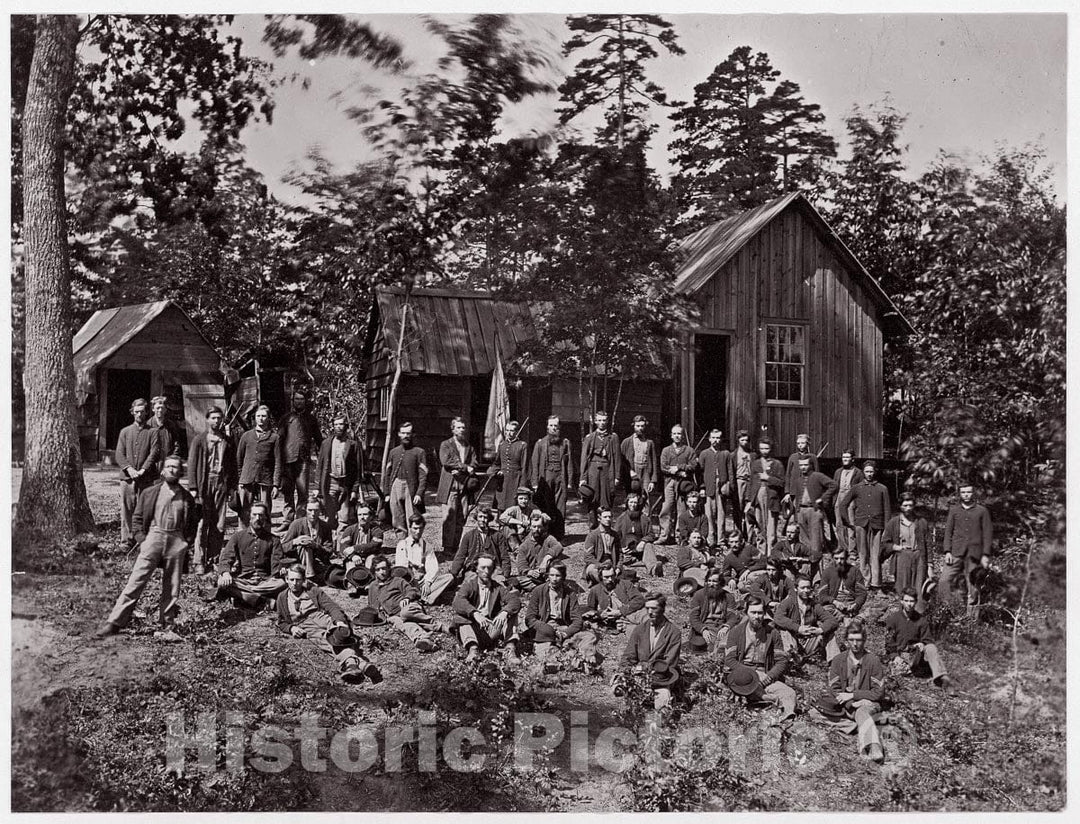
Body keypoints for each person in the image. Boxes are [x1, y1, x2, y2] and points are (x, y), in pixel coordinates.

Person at [95, 455, 198, 641]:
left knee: (172, 586)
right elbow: (137, 519)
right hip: (154, 537)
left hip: (176, 540)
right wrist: (143, 540)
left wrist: (185, 543)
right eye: (169, 466)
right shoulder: (151, 492)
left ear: (181, 472)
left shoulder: (187, 498)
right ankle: (115, 622)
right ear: (162, 470)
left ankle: (167, 625)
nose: (172, 470)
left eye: (176, 467)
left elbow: (192, 524)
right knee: (136, 581)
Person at [276, 564, 381, 684]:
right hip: (305, 625)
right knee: (326, 640)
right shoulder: (282, 597)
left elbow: (331, 606)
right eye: (292, 580)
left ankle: (354, 664)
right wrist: (292, 628)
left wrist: (339, 621)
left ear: (304, 580)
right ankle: (360, 664)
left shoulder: (313, 591)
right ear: (286, 580)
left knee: (340, 635)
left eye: (298, 580)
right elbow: (281, 622)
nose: (295, 583)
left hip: (321, 618)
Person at [821, 619, 886, 763]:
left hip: (868, 704)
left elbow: (878, 693)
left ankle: (873, 746)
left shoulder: (873, 661)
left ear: (864, 640)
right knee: (816, 711)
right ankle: (858, 725)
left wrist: (854, 696)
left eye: (859, 640)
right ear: (846, 641)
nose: (855, 644)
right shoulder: (838, 660)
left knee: (863, 711)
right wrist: (851, 702)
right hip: (846, 705)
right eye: (851, 640)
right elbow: (834, 688)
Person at [724, 596, 797, 722]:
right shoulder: (736, 632)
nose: (757, 616)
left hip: (765, 675)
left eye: (760, 613)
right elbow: (730, 660)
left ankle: (785, 716)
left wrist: (767, 678)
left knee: (790, 693)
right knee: (742, 687)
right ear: (746, 613)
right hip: (743, 675)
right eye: (753, 612)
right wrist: (753, 674)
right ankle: (767, 699)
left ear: (764, 614)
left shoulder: (773, 633)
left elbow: (781, 661)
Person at [188, 406, 238, 573]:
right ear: (207, 419)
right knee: (202, 523)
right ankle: (199, 561)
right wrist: (193, 487)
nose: (217, 421)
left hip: (221, 483)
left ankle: (214, 558)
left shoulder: (228, 441)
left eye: (219, 418)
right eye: (213, 418)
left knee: (219, 523)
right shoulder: (199, 440)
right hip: (204, 484)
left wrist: (231, 487)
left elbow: (232, 466)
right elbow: (192, 465)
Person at [525, 562, 600, 671]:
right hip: (544, 629)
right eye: (551, 575)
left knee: (589, 637)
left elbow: (577, 620)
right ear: (547, 576)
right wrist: (547, 629)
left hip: (564, 628)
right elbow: (530, 618)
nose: (554, 579)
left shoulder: (570, 594)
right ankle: (560, 661)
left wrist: (565, 633)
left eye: (558, 575)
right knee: (544, 650)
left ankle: (586, 661)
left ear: (563, 577)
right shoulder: (538, 591)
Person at [212, 502, 287, 608]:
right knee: (222, 582)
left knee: (282, 583)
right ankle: (262, 601)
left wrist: (280, 571)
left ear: (265, 517)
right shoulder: (238, 537)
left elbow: (277, 563)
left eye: (261, 515)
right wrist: (225, 573)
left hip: (265, 582)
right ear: (249, 517)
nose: (258, 518)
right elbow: (226, 557)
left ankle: (245, 596)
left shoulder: (273, 540)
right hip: (244, 580)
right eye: (254, 515)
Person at [367, 556, 446, 652]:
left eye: (384, 568)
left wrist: (407, 598)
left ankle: (438, 625)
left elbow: (413, 591)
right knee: (403, 624)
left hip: (409, 607)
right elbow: (372, 606)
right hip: (394, 615)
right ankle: (423, 639)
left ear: (389, 569)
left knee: (405, 613)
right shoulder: (372, 586)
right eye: (378, 569)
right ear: (374, 571)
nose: (382, 572)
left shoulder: (397, 581)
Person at [453, 554, 523, 663]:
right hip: (474, 629)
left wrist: (504, 612)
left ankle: (510, 649)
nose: (486, 571)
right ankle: (473, 650)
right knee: (461, 617)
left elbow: (515, 601)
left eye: (490, 568)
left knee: (512, 613)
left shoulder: (497, 587)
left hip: (491, 626)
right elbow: (458, 602)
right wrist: (475, 613)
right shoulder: (469, 585)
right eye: (483, 568)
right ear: (476, 569)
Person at [620, 592, 682, 710]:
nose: (649, 612)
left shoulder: (673, 632)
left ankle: (656, 725)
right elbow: (629, 655)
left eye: (654, 608)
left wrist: (644, 670)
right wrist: (625, 671)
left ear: (663, 609)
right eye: (647, 608)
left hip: (661, 678)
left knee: (662, 702)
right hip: (639, 675)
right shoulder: (640, 629)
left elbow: (669, 662)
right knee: (625, 695)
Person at [937, 483, 993, 612]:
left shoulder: (982, 511)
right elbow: (948, 532)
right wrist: (947, 551)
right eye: (963, 492)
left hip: (975, 555)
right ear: (959, 494)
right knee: (944, 582)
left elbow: (988, 534)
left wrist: (985, 555)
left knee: (973, 588)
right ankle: (949, 612)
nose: (966, 495)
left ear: (973, 493)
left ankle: (971, 621)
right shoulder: (954, 510)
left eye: (969, 492)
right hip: (956, 552)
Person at [884, 588, 954, 691]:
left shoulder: (921, 620)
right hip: (899, 654)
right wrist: (894, 656)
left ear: (916, 602)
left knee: (931, 647)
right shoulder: (893, 619)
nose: (909, 604)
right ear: (902, 601)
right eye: (906, 601)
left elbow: (928, 640)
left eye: (912, 601)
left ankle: (941, 678)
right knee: (900, 671)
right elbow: (889, 642)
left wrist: (922, 643)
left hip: (915, 654)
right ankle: (917, 670)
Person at [115, 397, 161, 549]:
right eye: (136, 412)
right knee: (127, 510)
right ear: (132, 413)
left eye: (142, 412)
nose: (139, 415)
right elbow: (119, 454)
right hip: (127, 479)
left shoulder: (153, 432)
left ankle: (142, 540)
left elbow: (154, 453)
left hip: (146, 478)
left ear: (147, 412)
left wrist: (142, 470)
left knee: (144, 510)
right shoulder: (125, 432)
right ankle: (126, 541)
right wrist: (129, 469)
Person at [839, 461, 892, 591]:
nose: (869, 474)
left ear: (875, 472)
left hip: (877, 525)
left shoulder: (882, 488)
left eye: (871, 471)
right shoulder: (857, 487)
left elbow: (887, 510)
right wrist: (848, 523)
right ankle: (864, 582)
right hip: (861, 524)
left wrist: (887, 529)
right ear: (863, 472)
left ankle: (876, 583)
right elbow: (843, 504)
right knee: (863, 554)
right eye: (867, 471)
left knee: (876, 554)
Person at [277, 390, 323, 527]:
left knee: (303, 493)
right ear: (293, 401)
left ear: (305, 402)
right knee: (288, 491)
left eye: (301, 399)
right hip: (288, 460)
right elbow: (279, 440)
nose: (299, 402)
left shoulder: (311, 419)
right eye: (296, 399)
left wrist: (326, 452)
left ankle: (299, 521)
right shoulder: (286, 419)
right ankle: (287, 521)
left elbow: (319, 439)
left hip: (303, 461)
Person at [773, 576, 841, 664]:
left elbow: (832, 621)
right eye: (802, 588)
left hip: (808, 640)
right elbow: (778, 618)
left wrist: (820, 630)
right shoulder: (788, 602)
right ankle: (792, 659)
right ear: (796, 588)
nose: (806, 590)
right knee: (785, 630)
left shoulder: (814, 605)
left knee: (829, 631)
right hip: (792, 641)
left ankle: (835, 663)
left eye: (808, 588)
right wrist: (798, 628)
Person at [437, 417, 478, 555]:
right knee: (450, 517)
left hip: (465, 486)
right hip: (451, 485)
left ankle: (456, 546)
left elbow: (475, 463)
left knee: (462, 516)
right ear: (453, 429)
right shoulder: (446, 445)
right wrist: (465, 468)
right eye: (458, 427)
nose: (461, 430)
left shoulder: (469, 447)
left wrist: (465, 468)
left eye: (463, 427)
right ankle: (447, 547)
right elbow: (446, 461)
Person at [784, 455, 837, 563]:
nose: (803, 467)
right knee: (804, 541)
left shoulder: (817, 476)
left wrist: (822, 499)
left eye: (806, 465)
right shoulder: (798, 480)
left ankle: (817, 567)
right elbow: (798, 497)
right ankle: (806, 568)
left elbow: (834, 485)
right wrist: (797, 513)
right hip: (801, 512)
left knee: (816, 542)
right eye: (801, 465)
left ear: (811, 465)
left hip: (814, 511)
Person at [394, 514, 454, 605]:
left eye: (420, 528)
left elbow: (433, 567)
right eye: (415, 528)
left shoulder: (427, 546)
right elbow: (401, 567)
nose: (418, 532)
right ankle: (419, 596)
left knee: (449, 577)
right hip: (408, 581)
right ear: (409, 528)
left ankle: (423, 597)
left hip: (422, 581)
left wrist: (427, 582)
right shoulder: (402, 545)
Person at [236, 405, 281, 527]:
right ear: (255, 418)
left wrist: (276, 484)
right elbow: (239, 459)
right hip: (247, 478)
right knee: (244, 511)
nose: (261, 419)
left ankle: (265, 537)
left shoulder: (274, 437)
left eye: (263, 416)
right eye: (258, 416)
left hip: (265, 479)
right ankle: (243, 538)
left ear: (268, 418)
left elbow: (278, 462)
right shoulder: (246, 436)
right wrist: (240, 479)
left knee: (264, 510)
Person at [530, 415, 573, 539]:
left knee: (560, 506)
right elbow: (535, 464)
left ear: (559, 427)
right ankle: (546, 534)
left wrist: (569, 481)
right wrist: (534, 482)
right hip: (545, 477)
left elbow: (569, 463)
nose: (553, 428)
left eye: (556, 425)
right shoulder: (540, 443)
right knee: (546, 505)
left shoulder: (565, 443)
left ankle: (559, 535)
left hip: (560, 477)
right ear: (547, 427)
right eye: (551, 425)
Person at [316, 414, 363, 528]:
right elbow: (320, 466)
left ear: (345, 426)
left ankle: (341, 543)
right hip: (330, 483)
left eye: (341, 424)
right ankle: (330, 543)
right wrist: (318, 487)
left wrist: (355, 489)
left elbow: (358, 469)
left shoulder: (353, 445)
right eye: (336, 424)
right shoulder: (326, 443)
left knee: (345, 517)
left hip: (345, 484)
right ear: (333, 427)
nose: (338, 427)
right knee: (329, 516)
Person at [883, 494, 930, 604]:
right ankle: (904, 614)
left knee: (919, 587)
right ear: (900, 506)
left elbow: (928, 544)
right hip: (902, 556)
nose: (908, 508)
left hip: (919, 556)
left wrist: (930, 564)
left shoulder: (921, 522)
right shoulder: (894, 522)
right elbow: (885, 543)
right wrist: (895, 547)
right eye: (905, 505)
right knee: (903, 588)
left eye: (910, 505)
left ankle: (918, 614)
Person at [382, 422, 428, 532]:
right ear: (399, 434)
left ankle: (413, 543)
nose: (406, 436)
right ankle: (402, 544)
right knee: (397, 517)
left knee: (412, 517)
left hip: (411, 488)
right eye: (403, 433)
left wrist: (419, 493)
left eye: (408, 433)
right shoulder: (393, 452)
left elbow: (423, 475)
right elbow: (387, 473)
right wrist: (387, 493)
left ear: (413, 435)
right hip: (396, 486)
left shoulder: (419, 452)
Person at [579, 410, 622, 529]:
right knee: (592, 499)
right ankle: (593, 528)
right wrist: (583, 478)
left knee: (606, 499)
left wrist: (617, 476)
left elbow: (617, 458)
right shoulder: (590, 438)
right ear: (595, 421)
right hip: (593, 471)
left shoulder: (613, 438)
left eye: (604, 420)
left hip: (608, 471)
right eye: (599, 420)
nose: (602, 423)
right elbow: (584, 459)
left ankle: (605, 527)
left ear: (607, 421)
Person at [657, 424, 697, 544]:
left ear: (683, 436)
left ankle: (680, 537)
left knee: (681, 509)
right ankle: (664, 535)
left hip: (683, 484)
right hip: (669, 482)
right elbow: (663, 467)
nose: (677, 436)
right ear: (671, 435)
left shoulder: (689, 450)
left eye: (679, 433)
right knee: (667, 507)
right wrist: (680, 472)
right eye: (674, 434)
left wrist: (679, 467)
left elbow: (693, 465)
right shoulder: (666, 450)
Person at [451, 506, 513, 582]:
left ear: (489, 519)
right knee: (473, 583)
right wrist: (453, 574)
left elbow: (505, 557)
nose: (483, 520)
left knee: (498, 583)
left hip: (493, 569)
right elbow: (460, 556)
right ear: (476, 518)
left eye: (485, 517)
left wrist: (505, 574)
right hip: (473, 570)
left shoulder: (498, 535)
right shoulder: (469, 536)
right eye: (480, 517)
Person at [281, 497, 335, 582]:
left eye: (316, 510)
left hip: (318, 562)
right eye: (310, 510)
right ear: (305, 510)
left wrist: (315, 546)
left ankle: (311, 575)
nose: (313, 513)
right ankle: (308, 576)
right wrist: (295, 542)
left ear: (320, 511)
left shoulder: (325, 526)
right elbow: (283, 547)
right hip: (299, 562)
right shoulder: (296, 524)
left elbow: (329, 551)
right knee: (305, 545)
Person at [746, 437, 785, 549]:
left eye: (766, 448)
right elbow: (751, 482)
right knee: (759, 524)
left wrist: (768, 478)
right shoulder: (756, 463)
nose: (764, 451)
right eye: (762, 448)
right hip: (757, 496)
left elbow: (782, 482)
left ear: (771, 449)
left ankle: (771, 553)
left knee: (771, 527)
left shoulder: (777, 464)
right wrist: (749, 500)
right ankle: (761, 552)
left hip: (772, 497)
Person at [688, 568, 738, 653]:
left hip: (721, 627)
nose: (711, 584)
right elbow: (693, 618)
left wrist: (726, 627)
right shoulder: (698, 595)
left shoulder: (728, 597)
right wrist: (703, 629)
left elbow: (732, 616)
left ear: (721, 583)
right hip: (705, 626)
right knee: (709, 644)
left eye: (715, 581)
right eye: (709, 581)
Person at [513, 512, 565, 593]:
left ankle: (539, 588)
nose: (537, 529)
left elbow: (558, 547)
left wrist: (546, 559)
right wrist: (530, 572)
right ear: (530, 527)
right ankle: (543, 588)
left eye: (539, 527)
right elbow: (521, 565)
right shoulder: (524, 546)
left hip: (547, 575)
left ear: (543, 527)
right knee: (517, 580)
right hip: (531, 577)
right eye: (534, 526)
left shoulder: (548, 539)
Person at [817, 546, 868, 627]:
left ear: (846, 558)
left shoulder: (855, 571)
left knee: (877, 608)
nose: (839, 561)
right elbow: (822, 595)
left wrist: (856, 604)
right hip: (833, 606)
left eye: (842, 558)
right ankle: (847, 619)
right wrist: (835, 602)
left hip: (850, 604)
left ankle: (851, 618)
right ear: (832, 558)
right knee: (822, 610)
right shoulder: (827, 572)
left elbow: (862, 593)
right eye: (836, 558)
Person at [584, 563, 646, 631]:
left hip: (632, 612)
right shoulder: (595, 589)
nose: (610, 579)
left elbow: (639, 599)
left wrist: (620, 611)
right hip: (618, 621)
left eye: (612, 576)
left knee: (647, 620)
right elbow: (590, 609)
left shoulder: (625, 584)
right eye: (606, 577)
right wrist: (600, 614)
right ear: (601, 577)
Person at [698, 428, 733, 547]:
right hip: (709, 486)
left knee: (721, 513)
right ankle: (710, 539)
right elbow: (700, 473)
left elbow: (730, 471)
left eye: (718, 438)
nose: (715, 440)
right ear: (709, 439)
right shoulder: (704, 453)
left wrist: (729, 486)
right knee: (709, 514)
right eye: (713, 438)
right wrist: (702, 487)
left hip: (722, 486)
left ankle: (721, 540)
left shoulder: (726, 453)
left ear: (721, 439)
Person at [613, 491, 659, 567]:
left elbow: (651, 534)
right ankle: (633, 560)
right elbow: (615, 536)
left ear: (638, 504)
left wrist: (643, 541)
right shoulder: (621, 518)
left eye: (635, 502)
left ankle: (653, 567)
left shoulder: (644, 518)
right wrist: (621, 548)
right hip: (626, 549)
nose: (633, 505)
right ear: (627, 503)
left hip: (640, 548)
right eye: (631, 502)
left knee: (649, 545)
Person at [832, 450, 863, 558]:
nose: (844, 459)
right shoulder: (838, 472)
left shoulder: (858, 472)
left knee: (850, 525)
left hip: (851, 500)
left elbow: (860, 489)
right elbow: (834, 486)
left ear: (852, 459)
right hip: (839, 498)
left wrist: (856, 503)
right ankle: (842, 547)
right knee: (839, 524)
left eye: (847, 457)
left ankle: (852, 551)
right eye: (843, 457)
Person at [335, 503, 385, 570]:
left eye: (365, 514)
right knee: (351, 568)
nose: (362, 517)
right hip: (353, 557)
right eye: (359, 515)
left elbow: (374, 545)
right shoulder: (350, 529)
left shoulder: (377, 530)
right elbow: (343, 546)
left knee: (371, 562)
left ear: (371, 516)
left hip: (370, 555)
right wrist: (352, 556)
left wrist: (355, 548)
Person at [620, 414, 658, 500]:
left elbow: (654, 461)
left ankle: (645, 513)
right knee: (632, 497)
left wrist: (653, 480)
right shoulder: (626, 442)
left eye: (642, 426)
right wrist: (629, 471)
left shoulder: (650, 442)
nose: (640, 428)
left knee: (645, 496)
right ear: (633, 426)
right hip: (633, 472)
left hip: (646, 472)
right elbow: (621, 461)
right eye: (638, 426)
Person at [582, 507, 623, 584]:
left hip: (611, 564)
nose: (608, 519)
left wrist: (618, 567)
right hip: (597, 565)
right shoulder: (592, 535)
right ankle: (605, 584)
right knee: (592, 570)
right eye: (605, 517)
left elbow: (620, 554)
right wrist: (600, 566)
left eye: (610, 517)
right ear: (599, 518)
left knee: (628, 575)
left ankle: (610, 581)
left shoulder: (615, 535)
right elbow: (588, 557)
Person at [495, 420, 529, 510]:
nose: (509, 433)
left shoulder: (522, 445)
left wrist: (522, 485)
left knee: (513, 504)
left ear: (517, 432)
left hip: (515, 479)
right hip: (502, 480)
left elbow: (524, 466)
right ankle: (501, 523)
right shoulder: (502, 445)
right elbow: (497, 463)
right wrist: (494, 472)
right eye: (507, 430)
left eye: (512, 430)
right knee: (501, 503)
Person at [731, 430, 756, 536]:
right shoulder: (734, 455)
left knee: (750, 508)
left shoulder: (753, 454)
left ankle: (749, 534)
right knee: (738, 507)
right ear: (738, 441)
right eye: (742, 440)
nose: (744, 442)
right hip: (739, 481)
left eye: (746, 440)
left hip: (750, 482)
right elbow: (731, 471)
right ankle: (738, 532)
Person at [499, 487, 535, 552]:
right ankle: (517, 550)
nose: (523, 501)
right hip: (512, 538)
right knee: (507, 528)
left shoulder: (531, 510)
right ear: (517, 500)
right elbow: (502, 517)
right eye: (521, 498)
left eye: (526, 499)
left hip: (525, 537)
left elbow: (542, 516)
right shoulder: (514, 509)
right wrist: (520, 522)